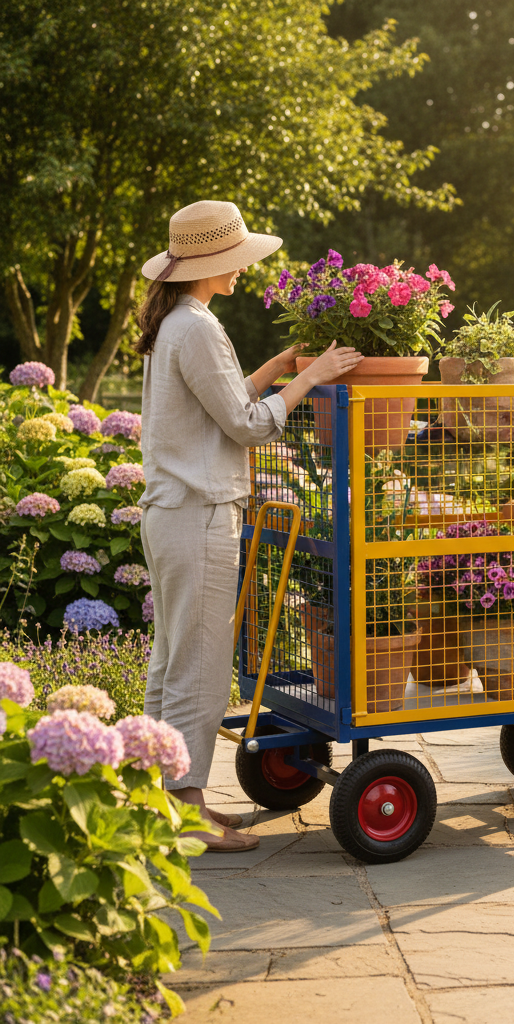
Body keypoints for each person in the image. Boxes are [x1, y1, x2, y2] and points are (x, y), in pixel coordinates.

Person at [136, 200, 361, 852]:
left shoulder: (179, 323)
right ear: (209, 263)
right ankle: (189, 811)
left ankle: (161, 798)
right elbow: (248, 424)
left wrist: (280, 366)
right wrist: (312, 377)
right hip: (199, 514)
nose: (243, 268)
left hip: (172, 514)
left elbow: (224, 399)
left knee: (171, 662)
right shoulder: (197, 328)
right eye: (235, 259)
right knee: (200, 669)